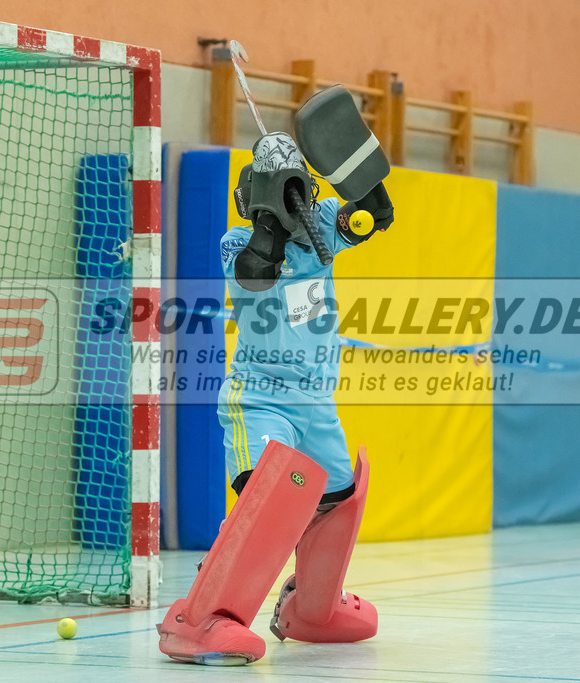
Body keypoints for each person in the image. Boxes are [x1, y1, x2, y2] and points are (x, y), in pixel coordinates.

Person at [157, 86, 394, 666]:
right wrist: (274, 213)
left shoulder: (322, 233)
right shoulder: (236, 242)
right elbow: (257, 271)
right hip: (258, 399)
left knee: (336, 495)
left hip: (316, 401)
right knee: (272, 492)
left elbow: (363, 220)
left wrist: (368, 200)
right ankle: (203, 615)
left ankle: (313, 606)